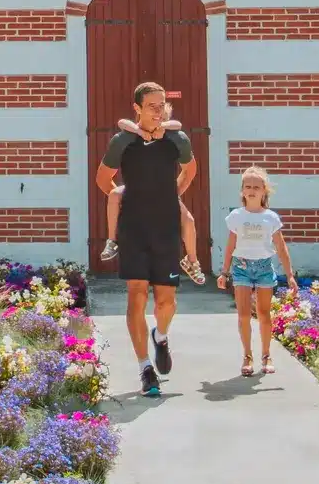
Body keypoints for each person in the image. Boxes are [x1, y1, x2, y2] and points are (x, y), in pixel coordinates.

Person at [96, 80, 196, 397]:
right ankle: (144, 369)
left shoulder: (176, 139)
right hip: (134, 229)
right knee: (136, 296)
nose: (157, 110)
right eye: (151, 105)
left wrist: (171, 195)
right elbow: (103, 179)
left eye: (161, 104)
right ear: (137, 108)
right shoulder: (122, 141)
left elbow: (190, 171)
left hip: (166, 228)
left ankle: (161, 336)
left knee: (166, 301)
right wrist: (124, 200)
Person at [100, 101, 205, 284]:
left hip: (163, 192)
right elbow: (122, 122)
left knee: (188, 220)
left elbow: (177, 125)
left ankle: (192, 260)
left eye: (162, 116)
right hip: (136, 189)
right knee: (115, 194)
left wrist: (173, 193)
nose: (158, 118)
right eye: (154, 113)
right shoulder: (132, 133)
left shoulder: (171, 136)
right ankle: (112, 240)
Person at [215, 166, 297, 377]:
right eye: (247, 186)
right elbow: (230, 245)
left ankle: (266, 355)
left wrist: (289, 275)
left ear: (264, 191)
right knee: (243, 315)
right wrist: (224, 273)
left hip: (263, 268)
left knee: (263, 315)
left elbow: (281, 247)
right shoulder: (236, 216)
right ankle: (247, 355)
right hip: (241, 268)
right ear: (242, 190)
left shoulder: (270, 217)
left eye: (256, 187)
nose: (252, 190)